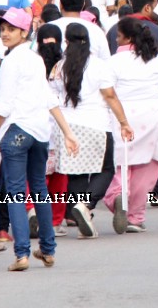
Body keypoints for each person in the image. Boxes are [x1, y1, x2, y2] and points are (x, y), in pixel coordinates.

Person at [0, 9, 78, 271]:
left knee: (16, 193)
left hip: (16, 130)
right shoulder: (36, 59)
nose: (4, 33)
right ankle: (47, 250)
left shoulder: (12, 61)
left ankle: (22, 254)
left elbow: (4, 105)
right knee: (40, 190)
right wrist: (67, 132)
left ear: (24, 32)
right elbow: (49, 98)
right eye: (2, 28)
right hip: (39, 132)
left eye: (10, 29)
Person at [51, 22, 133, 239]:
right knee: (105, 169)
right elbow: (110, 96)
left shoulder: (59, 67)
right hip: (96, 125)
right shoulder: (98, 65)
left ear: (66, 42)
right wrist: (124, 122)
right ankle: (86, 206)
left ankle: (82, 215)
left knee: (76, 172)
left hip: (68, 127)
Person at [102, 18, 158, 234]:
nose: (116, 39)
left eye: (119, 36)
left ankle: (116, 196)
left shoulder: (114, 61)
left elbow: (107, 91)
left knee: (120, 163)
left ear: (128, 38)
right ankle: (135, 216)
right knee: (146, 167)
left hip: (122, 115)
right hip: (152, 115)